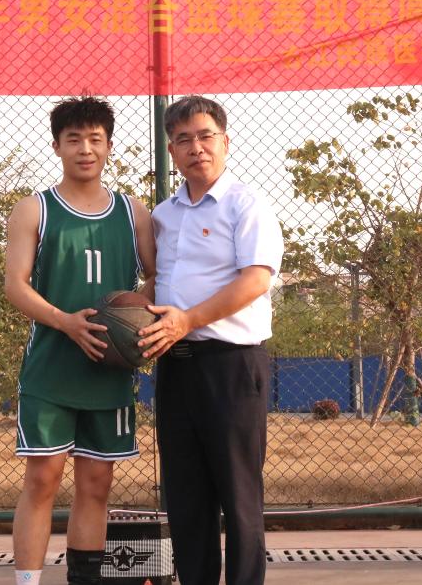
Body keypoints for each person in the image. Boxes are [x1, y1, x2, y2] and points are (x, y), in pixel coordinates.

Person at [5, 96, 156, 585]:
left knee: (97, 483)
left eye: (95, 139)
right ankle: (28, 581)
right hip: (51, 369)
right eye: (74, 140)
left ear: (109, 146)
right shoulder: (35, 209)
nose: (85, 149)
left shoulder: (134, 212)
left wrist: (132, 317)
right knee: (42, 481)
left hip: (109, 373)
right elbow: (15, 286)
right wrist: (65, 321)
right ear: (57, 146)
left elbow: (157, 277)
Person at [138, 95, 284, 585]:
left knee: (238, 494)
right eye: (183, 139)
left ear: (225, 141)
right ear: (171, 151)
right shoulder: (163, 215)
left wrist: (188, 320)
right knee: (185, 495)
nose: (195, 147)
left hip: (232, 365)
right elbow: (158, 283)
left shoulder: (246, 205)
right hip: (175, 365)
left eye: (205, 136)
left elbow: (255, 280)